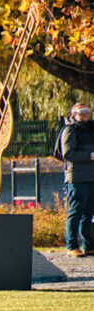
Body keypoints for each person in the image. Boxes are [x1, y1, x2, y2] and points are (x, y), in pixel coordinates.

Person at [60, 102, 94, 257]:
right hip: (77, 178)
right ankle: (71, 245)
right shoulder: (70, 130)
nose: (85, 115)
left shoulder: (91, 129)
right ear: (74, 115)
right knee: (76, 212)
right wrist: (89, 156)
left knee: (89, 213)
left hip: (91, 177)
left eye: (87, 112)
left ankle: (89, 244)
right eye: (82, 113)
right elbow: (67, 154)